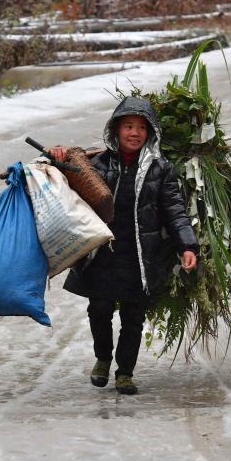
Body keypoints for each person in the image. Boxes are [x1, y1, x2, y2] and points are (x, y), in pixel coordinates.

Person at [48, 96, 198, 395]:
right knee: (99, 309)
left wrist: (187, 246)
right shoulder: (96, 164)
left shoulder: (160, 169)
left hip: (141, 257)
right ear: (115, 130)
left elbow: (175, 211)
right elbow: (63, 181)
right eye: (128, 126)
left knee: (133, 317)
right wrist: (58, 157)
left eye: (142, 127)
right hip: (102, 254)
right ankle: (103, 359)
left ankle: (125, 372)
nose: (134, 133)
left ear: (150, 133)